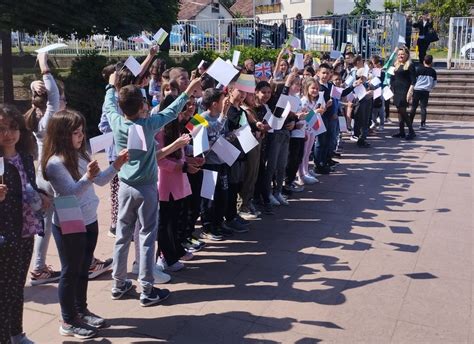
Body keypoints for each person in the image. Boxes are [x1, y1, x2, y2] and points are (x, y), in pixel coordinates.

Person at [105, 70, 201, 306]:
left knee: (122, 235)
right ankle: (147, 289)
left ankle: (119, 283)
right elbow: (171, 112)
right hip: (146, 188)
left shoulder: (117, 122)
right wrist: (188, 92)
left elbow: (109, 106)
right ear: (141, 108)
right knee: (147, 237)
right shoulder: (148, 125)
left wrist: (110, 87)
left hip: (125, 186)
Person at [41, 109, 128, 339]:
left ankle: (81, 310)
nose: (81, 137)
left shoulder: (80, 155)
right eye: (76, 133)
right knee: (70, 272)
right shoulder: (55, 163)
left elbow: (100, 181)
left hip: (89, 219)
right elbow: (71, 194)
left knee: (83, 269)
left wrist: (116, 165)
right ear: (61, 135)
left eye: (81, 132)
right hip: (70, 222)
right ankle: (68, 320)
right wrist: (87, 177)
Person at [0, 105, 49, 344]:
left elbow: (29, 186)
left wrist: (42, 196)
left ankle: (16, 333)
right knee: (3, 293)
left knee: (17, 287)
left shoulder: (26, 158)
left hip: (27, 231)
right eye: (1, 129)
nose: (8, 133)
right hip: (4, 235)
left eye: (12, 127)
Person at [24, 52, 62, 286]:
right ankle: (82, 260)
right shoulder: (49, 120)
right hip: (53, 176)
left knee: (47, 224)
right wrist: (43, 65)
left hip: (43, 175)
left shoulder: (35, 118)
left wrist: (32, 84)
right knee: (66, 219)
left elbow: (49, 96)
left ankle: (39, 268)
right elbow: (54, 96)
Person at [200, 88, 231, 240]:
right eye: (222, 101)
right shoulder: (198, 118)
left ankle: (219, 224)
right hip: (208, 164)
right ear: (214, 104)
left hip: (222, 161)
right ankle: (208, 227)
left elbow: (221, 133)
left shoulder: (221, 117)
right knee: (208, 199)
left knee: (222, 196)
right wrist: (224, 115)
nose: (225, 103)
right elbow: (209, 137)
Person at [391, 47, 416, 140]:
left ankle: (411, 131)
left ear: (407, 55)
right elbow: (393, 77)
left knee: (403, 111)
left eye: (402, 54)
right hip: (396, 91)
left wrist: (410, 92)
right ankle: (401, 132)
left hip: (404, 91)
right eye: (399, 54)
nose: (400, 56)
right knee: (399, 111)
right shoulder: (396, 65)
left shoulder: (410, 65)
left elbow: (414, 80)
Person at [410, 54, 437, 129]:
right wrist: (430, 88)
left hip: (417, 90)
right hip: (426, 91)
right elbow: (434, 83)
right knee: (423, 108)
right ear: (431, 62)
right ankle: (422, 124)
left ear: (424, 61)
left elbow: (414, 80)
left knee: (414, 107)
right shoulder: (433, 71)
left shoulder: (418, 69)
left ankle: (410, 122)